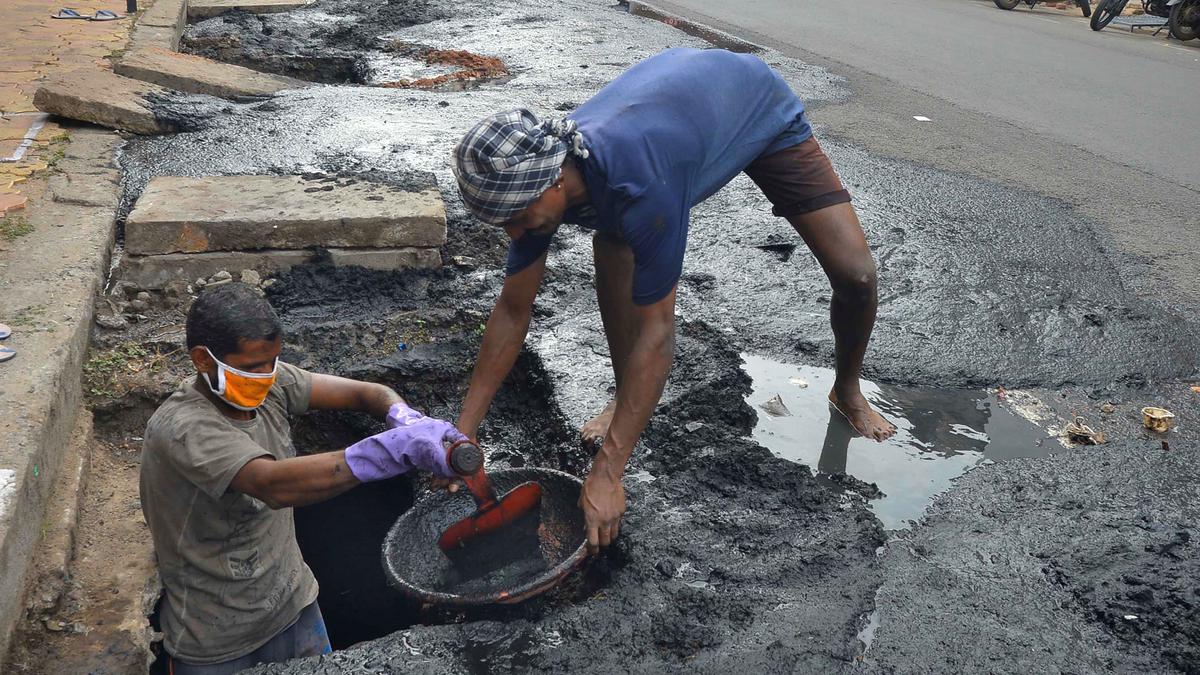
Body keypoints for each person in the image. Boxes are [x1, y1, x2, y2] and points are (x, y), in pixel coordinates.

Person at [450, 48, 896, 555]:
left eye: (517, 216)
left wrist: (608, 471)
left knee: (856, 274)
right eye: (502, 220)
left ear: (553, 179)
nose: (514, 231)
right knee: (613, 239)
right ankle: (624, 395)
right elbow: (512, 310)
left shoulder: (641, 186)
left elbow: (659, 336)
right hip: (673, 123)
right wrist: (463, 435)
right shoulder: (535, 187)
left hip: (755, 108)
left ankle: (847, 388)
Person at [139, 283, 466, 674]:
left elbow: (368, 394)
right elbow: (272, 485)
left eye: (272, 362)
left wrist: (407, 419)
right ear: (203, 360)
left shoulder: (268, 386)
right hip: (219, 640)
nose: (265, 376)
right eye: (252, 366)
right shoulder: (184, 428)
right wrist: (389, 451)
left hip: (297, 607)